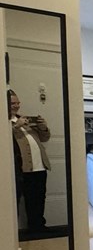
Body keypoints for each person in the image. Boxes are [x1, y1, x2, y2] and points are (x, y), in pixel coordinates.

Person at [8, 89, 51, 231]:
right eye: (12, 103)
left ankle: (39, 227)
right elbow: (5, 140)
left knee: (39, 198)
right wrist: (16, 126)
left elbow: (45, 138)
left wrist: (43, 128)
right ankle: (16, 232)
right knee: (21, 200)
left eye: (18, 103)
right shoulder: (6, 122)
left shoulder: (24, 119)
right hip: (22, 169)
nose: (16, 106)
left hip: (40, 166)